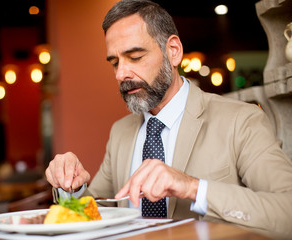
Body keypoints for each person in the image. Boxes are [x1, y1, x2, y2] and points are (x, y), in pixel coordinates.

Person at [45, 0, 292, 239]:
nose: (121, 73)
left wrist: (194, 187)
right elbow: (96, 211)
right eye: (115, 62)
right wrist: (72, 187)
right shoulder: (120, 132)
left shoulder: (241, 120)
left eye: (135, 57)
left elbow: (287, 213)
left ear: (173, 52)